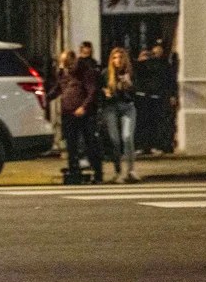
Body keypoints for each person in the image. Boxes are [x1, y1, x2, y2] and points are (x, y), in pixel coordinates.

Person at [47, 49, 103, 183]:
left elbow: (92, 91)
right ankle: (74, 170)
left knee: (90, 142)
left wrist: (84, 107)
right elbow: (59, 88)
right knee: (71, 144)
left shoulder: (85, 72)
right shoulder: (63, 74)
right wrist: (46, 98)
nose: (66, 68)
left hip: (84, 112)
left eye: (67, 64)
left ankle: (97, 172)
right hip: (68, 111)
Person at [101, 47, 139, 183]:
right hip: (111, 107)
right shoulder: (106, 73)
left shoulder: (130, 72)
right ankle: (118, 171)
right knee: (115, 140)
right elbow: (101, 89)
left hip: (127, 107)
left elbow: (137, 92)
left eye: (120, 58)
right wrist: (106, 93)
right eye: (115, 58)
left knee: (127, 137)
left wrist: (129, 84)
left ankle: (131, 170)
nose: (118, 61)